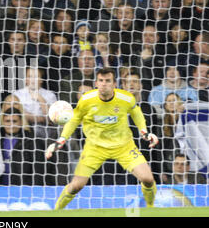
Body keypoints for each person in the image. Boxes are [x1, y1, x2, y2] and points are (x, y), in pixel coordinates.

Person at [46, 67, 159, 209]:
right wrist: (61, 140)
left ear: (115, 84)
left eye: (108, 81)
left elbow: (136, 112)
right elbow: (74, 119)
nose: (104, 84)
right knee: (76, 186)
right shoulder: (86, 100)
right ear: (96, 83)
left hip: (124, 146)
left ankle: (150, 207)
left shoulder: (125, 98)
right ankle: (56, 210)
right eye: (101, 80)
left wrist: (145, 132)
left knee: (148, 179)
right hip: (95, 147)